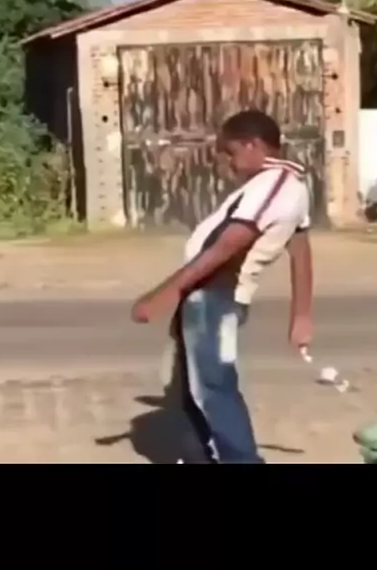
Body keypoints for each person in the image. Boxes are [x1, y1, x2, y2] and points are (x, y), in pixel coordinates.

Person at [131, 110, 313, 464]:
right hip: (202, 297)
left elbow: (227, 246)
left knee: (213, 390)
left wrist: (165, 293)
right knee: (189, 390)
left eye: (231, 153)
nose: (227, 163)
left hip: (216, 298)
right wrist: (302, 315)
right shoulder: (268, 185)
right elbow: (300, 250)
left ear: (253, 144)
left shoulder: (277, 185)